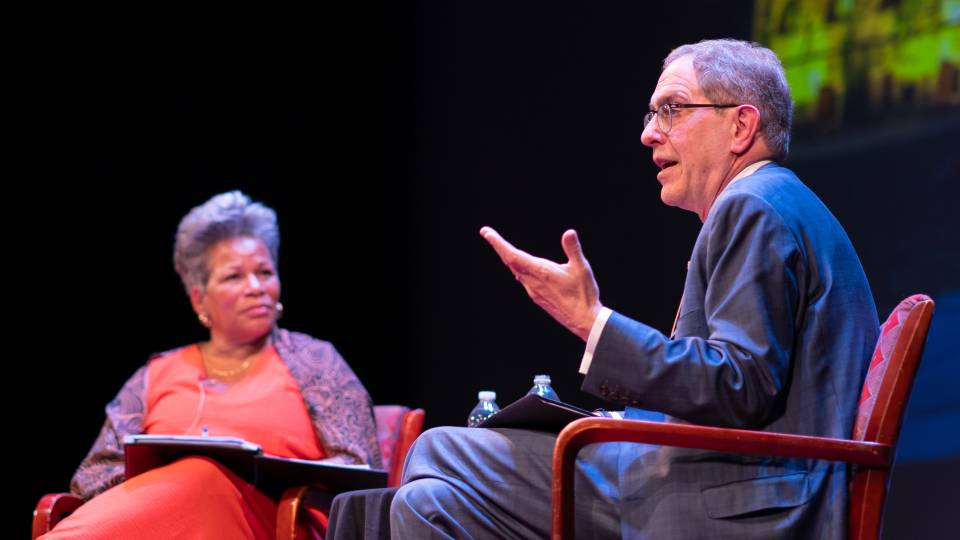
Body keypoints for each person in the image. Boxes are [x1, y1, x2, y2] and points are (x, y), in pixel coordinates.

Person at [390, 39, 879, 538]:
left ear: (740, 126)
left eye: (672, 110)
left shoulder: (752, 204)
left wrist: (592, 322)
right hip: (730, 482)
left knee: (439, 449)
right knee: (426, 504)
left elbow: (739, 385)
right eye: (651, 114)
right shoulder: (775, 201)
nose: (649, 133)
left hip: (746, 505)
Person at [43, 191, 381, 539]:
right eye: (234, 277)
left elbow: (362, 470)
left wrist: (264, 473)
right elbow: (91, 477)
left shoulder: (316, 360)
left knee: (205, 474)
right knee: (195, 473)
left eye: (265, 272)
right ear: (199, 299)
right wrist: (169, 476)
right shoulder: (155, 374)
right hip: (163, 524)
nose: (256, 288)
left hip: (271, 522)